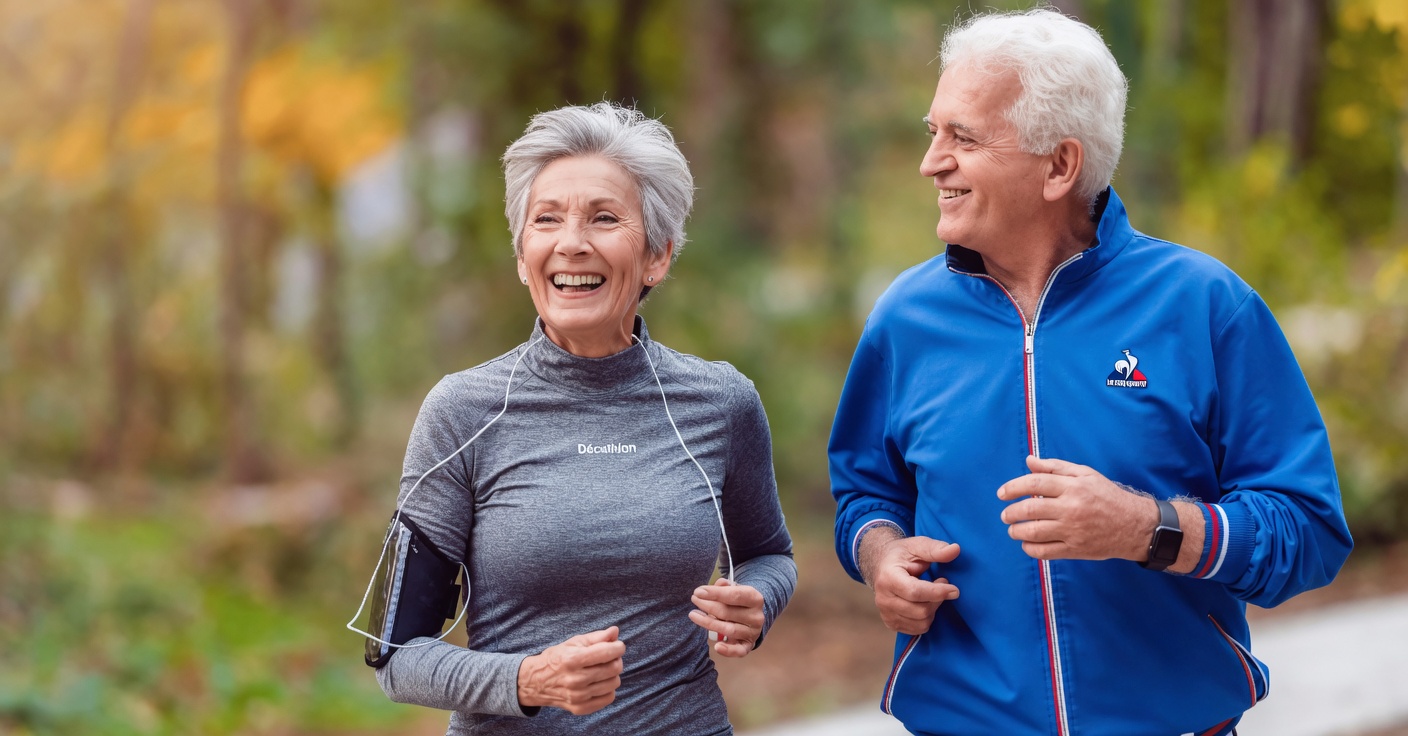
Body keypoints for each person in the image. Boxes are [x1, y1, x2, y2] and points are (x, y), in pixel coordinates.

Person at [829, 8, 1352, 736]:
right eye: (933, 131)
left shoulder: (1205, 306)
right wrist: (882, 556)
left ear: (1059, 165)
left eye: (964, 137)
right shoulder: (904, 319)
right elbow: (865, 491)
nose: (932, 161)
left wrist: (1147, 528)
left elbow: (1309, 533)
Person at [360, 102, 796, 735]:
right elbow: (394, 655)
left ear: (657, 256)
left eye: (604, 218)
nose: (571, 242)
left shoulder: (719, 400)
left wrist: (759, 602)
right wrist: (525, 681)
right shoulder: (463, 412)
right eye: (547, 219)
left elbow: (768, 554)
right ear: (521, 256)